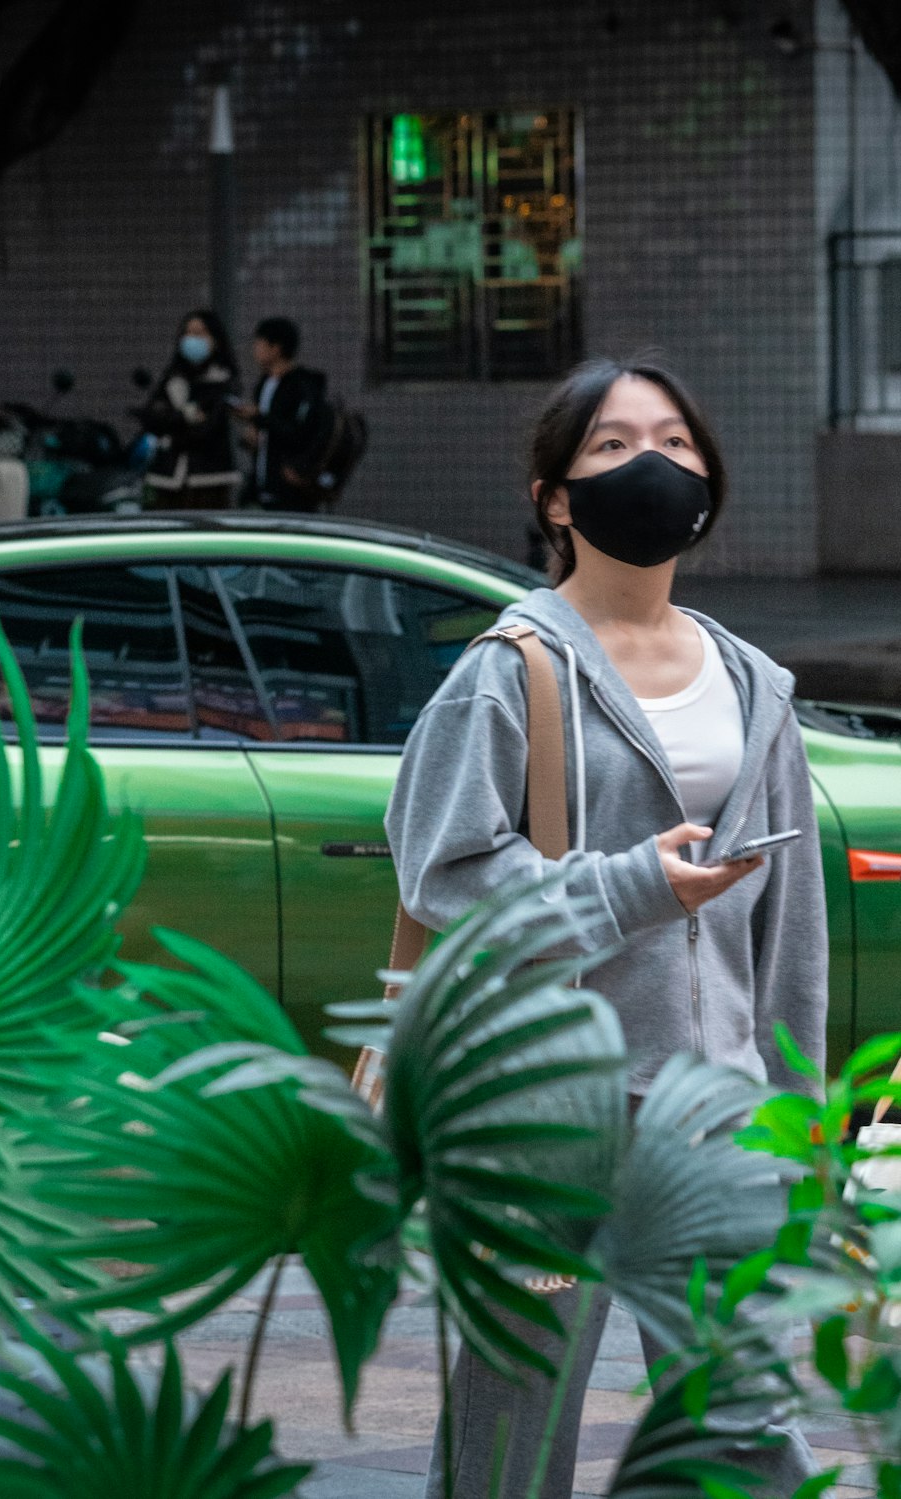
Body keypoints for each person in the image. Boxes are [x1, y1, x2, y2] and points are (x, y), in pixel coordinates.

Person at [384, 356, 829, 1498]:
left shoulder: (752, 682)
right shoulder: (507, 671)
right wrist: (631, 886)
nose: (652, 465)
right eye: (613, 445)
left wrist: (796, 1115)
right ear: (554, 496)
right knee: (510, 1434)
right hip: (546, 1116)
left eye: (675, 442)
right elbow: (444, 871)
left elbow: (789, 928)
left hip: (716, 1115)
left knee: (743, 1424)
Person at [140, 309, 240, 508]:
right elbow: (151, 419)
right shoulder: (172, 379)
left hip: (210, 479)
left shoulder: (223, 381)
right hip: (167, 477)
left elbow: (207, 429)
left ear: (215, 339)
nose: (192, 339)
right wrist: (186, 416)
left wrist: (173, 426)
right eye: (188, 333)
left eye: (200, 333)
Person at [233, 316, 329, 511]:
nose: (255, 350)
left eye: (259, 343)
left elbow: (298, 433)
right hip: (263, 483)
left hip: (292, 488)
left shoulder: (302, 387)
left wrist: (258, 418)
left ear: (276, 347)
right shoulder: (264, 384)